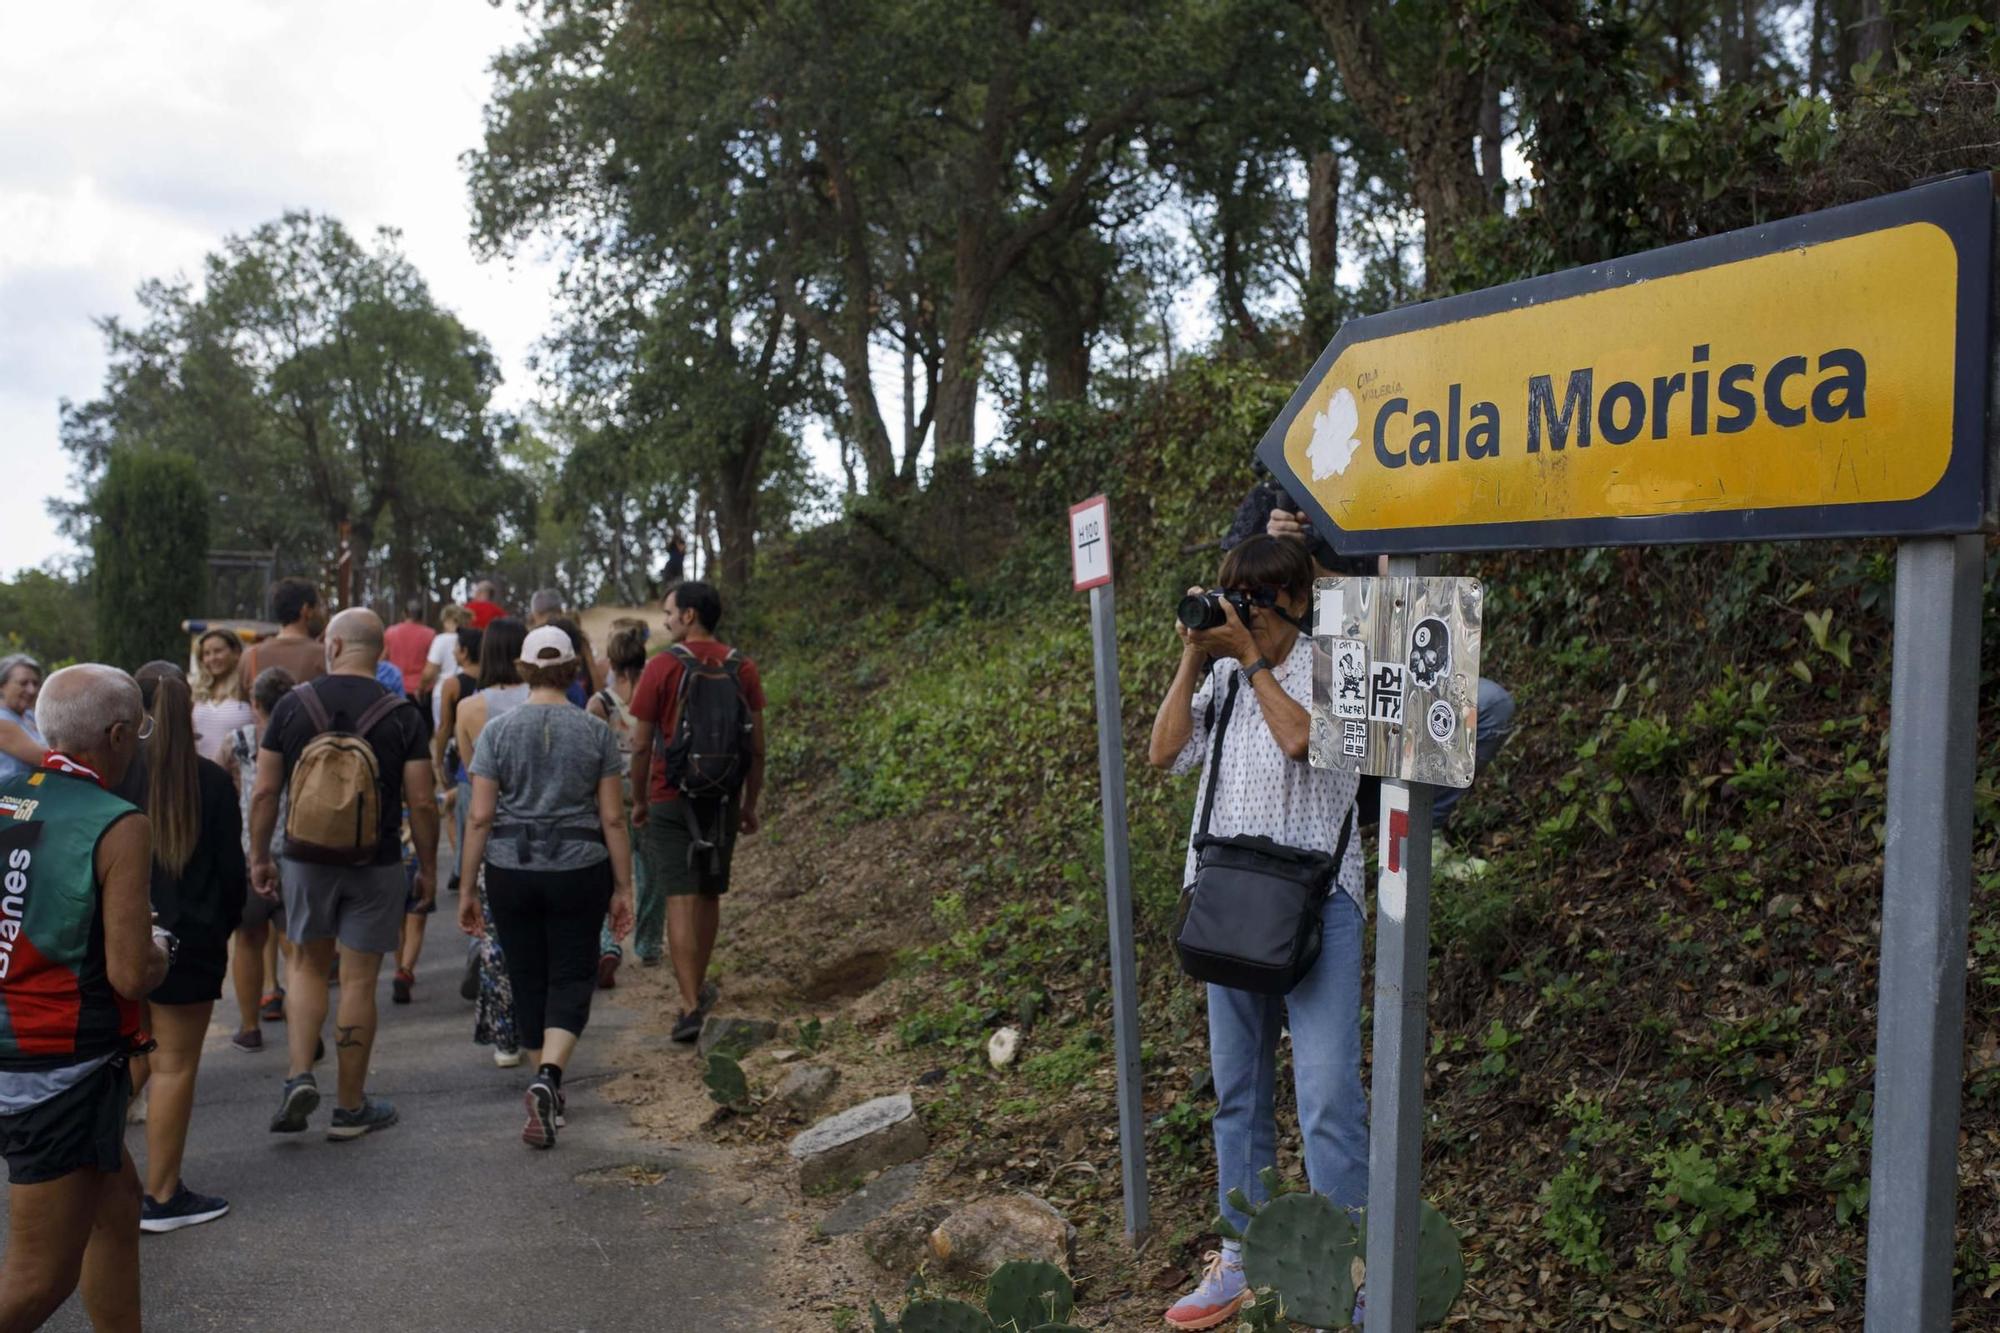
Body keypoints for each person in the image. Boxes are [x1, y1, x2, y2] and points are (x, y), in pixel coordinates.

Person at [1147, 536, 1366, 1332]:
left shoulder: (1335, 662)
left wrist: (1253, 660)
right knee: (1237, 1095)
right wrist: (1195, 660)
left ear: (1297, 602)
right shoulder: (1226, 677)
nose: (1241, 613)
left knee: (1330, 1095)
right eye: (1232, 598)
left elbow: (1304, 740)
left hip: (1317, 904)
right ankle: (1240, 1254)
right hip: (1231, 898)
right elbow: (1164, 752)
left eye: (1254, 603)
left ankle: (1355, 1267)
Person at [0, 664, 170, 1331]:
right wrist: (166, 953)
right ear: (120, 735)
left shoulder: (9, 796)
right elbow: (131, 973)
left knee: (118, 1198)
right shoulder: (117, 821)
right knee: (39, 1279)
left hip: (21, 1047)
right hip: (57, 1065)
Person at [250, 609, 437, 1141]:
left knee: (307, 966)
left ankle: (298, 1076)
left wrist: (261, 856)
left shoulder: (292, 704)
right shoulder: (401, 713)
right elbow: (422, 802)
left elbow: (265, 790)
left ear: (331, 645)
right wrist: (424, 868)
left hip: (305, 858)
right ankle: (350, 1108)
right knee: (358, 978)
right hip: (374, 862)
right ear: (378, 653)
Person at [457, 627, 636, 1147]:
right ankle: (549, 1080)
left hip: (512, 869)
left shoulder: (497, 731)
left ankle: (544, 1085)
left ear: (524, 668)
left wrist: (468, 887)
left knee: (528, 975)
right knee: (571, 974)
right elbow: (613, 818)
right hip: (579, 868)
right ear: (572, 670)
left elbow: (479, 817)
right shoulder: (595, 733)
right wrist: (623, 886)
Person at [1259, 493, 1515, 827]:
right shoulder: (1270, 501)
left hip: (1379, 680)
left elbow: (1406, 613)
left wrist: (1313, 570)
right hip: (1300, 692)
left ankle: (1419, 832)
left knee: (1491, 704)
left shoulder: (1378, 502)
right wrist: (1274, 552)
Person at [127, 664, 245, 1233]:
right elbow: (232, 876)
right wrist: (219, 933)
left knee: (134, 1056)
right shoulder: (212, 781)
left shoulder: (117, 779)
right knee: (172, 1064)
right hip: (190, 943)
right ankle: (163, 1194)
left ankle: (75, 1166)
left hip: (119, 939)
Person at [628, 581, 766, 1043]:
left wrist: (641, 800)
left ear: (689, 615)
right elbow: (757, 747)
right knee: (709, 895)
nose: (664, 621)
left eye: (668, 613)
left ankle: (689, 1005)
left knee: (679, 898)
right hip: (724, 796)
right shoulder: (741, 666)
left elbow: (642, 744)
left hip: (672, 797)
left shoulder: (661, 667)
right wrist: (749, 803)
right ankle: (698, 987)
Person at [454, 619, 530, 1066]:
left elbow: (472, 774)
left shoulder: (469, 709)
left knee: (498, 939)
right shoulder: (550, 701)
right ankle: (540, 1025)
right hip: (546, 834)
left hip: (495, 836)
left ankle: (506, 1037)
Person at [221, 667, 297, 1053]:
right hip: (299, 853)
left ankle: (249, 1027)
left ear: (255, 703)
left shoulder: (237, 741)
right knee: (296, 947)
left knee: (249, 940)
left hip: (250, 851)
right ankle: (305, 1029)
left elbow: (222, 791)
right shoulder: (304, 740)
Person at [587, 626, 649, 986]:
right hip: (649, 792)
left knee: (611, 873)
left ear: (611, 662)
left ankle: (608, 943)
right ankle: (650, 943)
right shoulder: (655, 696)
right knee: (650, 873)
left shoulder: (600, 704)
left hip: (609, 794)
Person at [238, 578, 328, 693]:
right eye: (319, 607)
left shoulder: (250, 656)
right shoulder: (325, 655)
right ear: (306, 610)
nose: (323, 614)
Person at [190, 630, 255, 763]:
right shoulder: (197, 691)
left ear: (236, 652)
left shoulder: (247, 689)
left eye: (218, 651)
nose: (212, 658)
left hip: (238, 777)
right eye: (206, 654)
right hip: (200, 774)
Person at [0, 654, 45, 786]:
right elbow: (44, 759)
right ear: (2, 686)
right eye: (23, 683)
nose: (32, 690)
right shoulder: (2, 722)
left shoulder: (29, 716)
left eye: (35, 684)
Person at [420, 605, 469, 717]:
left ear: (447, 620)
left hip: (442, 693)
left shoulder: (441, 640)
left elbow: (429, 673)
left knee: (442, 730)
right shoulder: (470, 638)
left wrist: (421, 688)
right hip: (467, 693)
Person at [382, 600, 436, 699]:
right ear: (421, 616)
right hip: (422, 690)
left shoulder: (390, 632)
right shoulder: (430, 634)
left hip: (395, 687)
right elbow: (432, 666)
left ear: (404, 614)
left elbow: (382, 659)